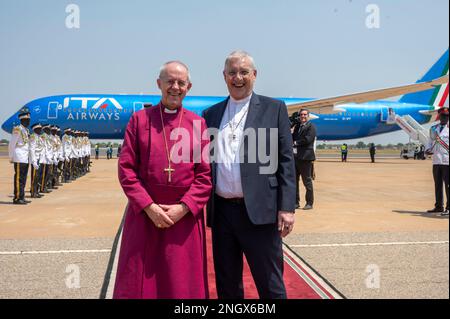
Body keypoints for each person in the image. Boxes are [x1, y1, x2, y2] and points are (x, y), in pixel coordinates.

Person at [113, 61, 212, 299]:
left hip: (184, 218)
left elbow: (205, 175)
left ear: (188, 87)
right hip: (145, 215)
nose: (175, 87)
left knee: (181, 285)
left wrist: (183, 207)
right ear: (159, 84)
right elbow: (126, 169)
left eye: (181, 82)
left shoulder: (198, 125)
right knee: (139, 282)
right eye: (170, 81)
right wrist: (148, 207)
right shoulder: (139, 120)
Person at [202, 50, 296, 299]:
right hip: (222, 214)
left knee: (270, 285)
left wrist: (287, 207)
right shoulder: (210, 114)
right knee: (227, 286)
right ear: (224, 76)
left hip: (261, 213)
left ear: (254, 75)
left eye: (244, 72)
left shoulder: (273, 108)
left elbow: (286, 161)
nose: (238, 77)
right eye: (232, 72)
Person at [425, 106, 449, 216]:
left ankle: (448, 208)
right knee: (438, 185)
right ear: (439, 116)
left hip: (447, 161)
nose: (445, 118)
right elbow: (429, 142)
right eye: (443, 116)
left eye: (447, 116)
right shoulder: (433, 129)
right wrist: (427, 150)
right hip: (436, 161)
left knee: (448, 186)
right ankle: (439, 206)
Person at [292, 108, 316, 210]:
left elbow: (308, 139)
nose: (303, 116)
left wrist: (296, 143)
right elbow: (292, 137)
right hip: (296, 157)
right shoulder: (297, 126)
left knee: (307, 181)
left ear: (308, 116)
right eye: (301, 115)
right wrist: (292, 123)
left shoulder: (311, 127)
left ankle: (309, 203)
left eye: (305, 115)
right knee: (294, 181)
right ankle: (296, 202)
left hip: (305, 158)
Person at [8, 109, 31, 204]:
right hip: (18, 157)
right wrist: (11, 157)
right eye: (27, 120)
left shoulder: (26, 130)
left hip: (25, 158)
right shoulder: (18, 129)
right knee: (18, 178)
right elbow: (12, 144)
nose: (29, 121)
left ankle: (21, 196)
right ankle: (17, 198)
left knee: (23, 178)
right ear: (23, 120)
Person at [29, 123, 44, 198]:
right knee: (34, 176)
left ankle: (36, 191)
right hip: (35, 159)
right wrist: (34, 161)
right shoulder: (33, 137)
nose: (41, 130)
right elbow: (32, 149)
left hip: (39, 159)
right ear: (35, 129)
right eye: (39, 129)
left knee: (38, 176)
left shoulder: (39, 137)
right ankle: (33, 192)